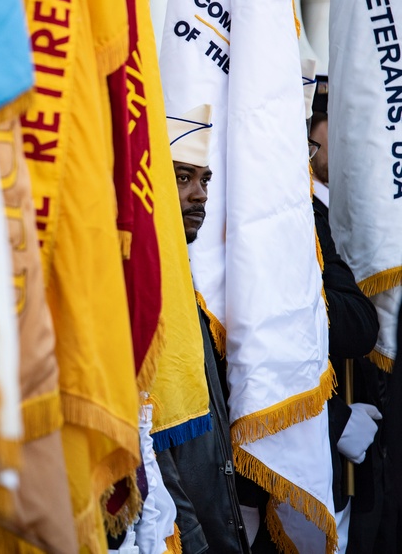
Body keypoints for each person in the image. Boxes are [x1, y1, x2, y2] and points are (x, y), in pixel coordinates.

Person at [156, 104, 252, 554]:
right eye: (182, 177)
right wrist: (193, 541)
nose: (200, 194)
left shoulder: (184, 275)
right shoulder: (146, 283)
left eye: (205, 179)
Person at [309, 99, 384, 554]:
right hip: (278, 466)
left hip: (352, 443)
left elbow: (359, 323)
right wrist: (334, 422)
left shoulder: (316, 214)